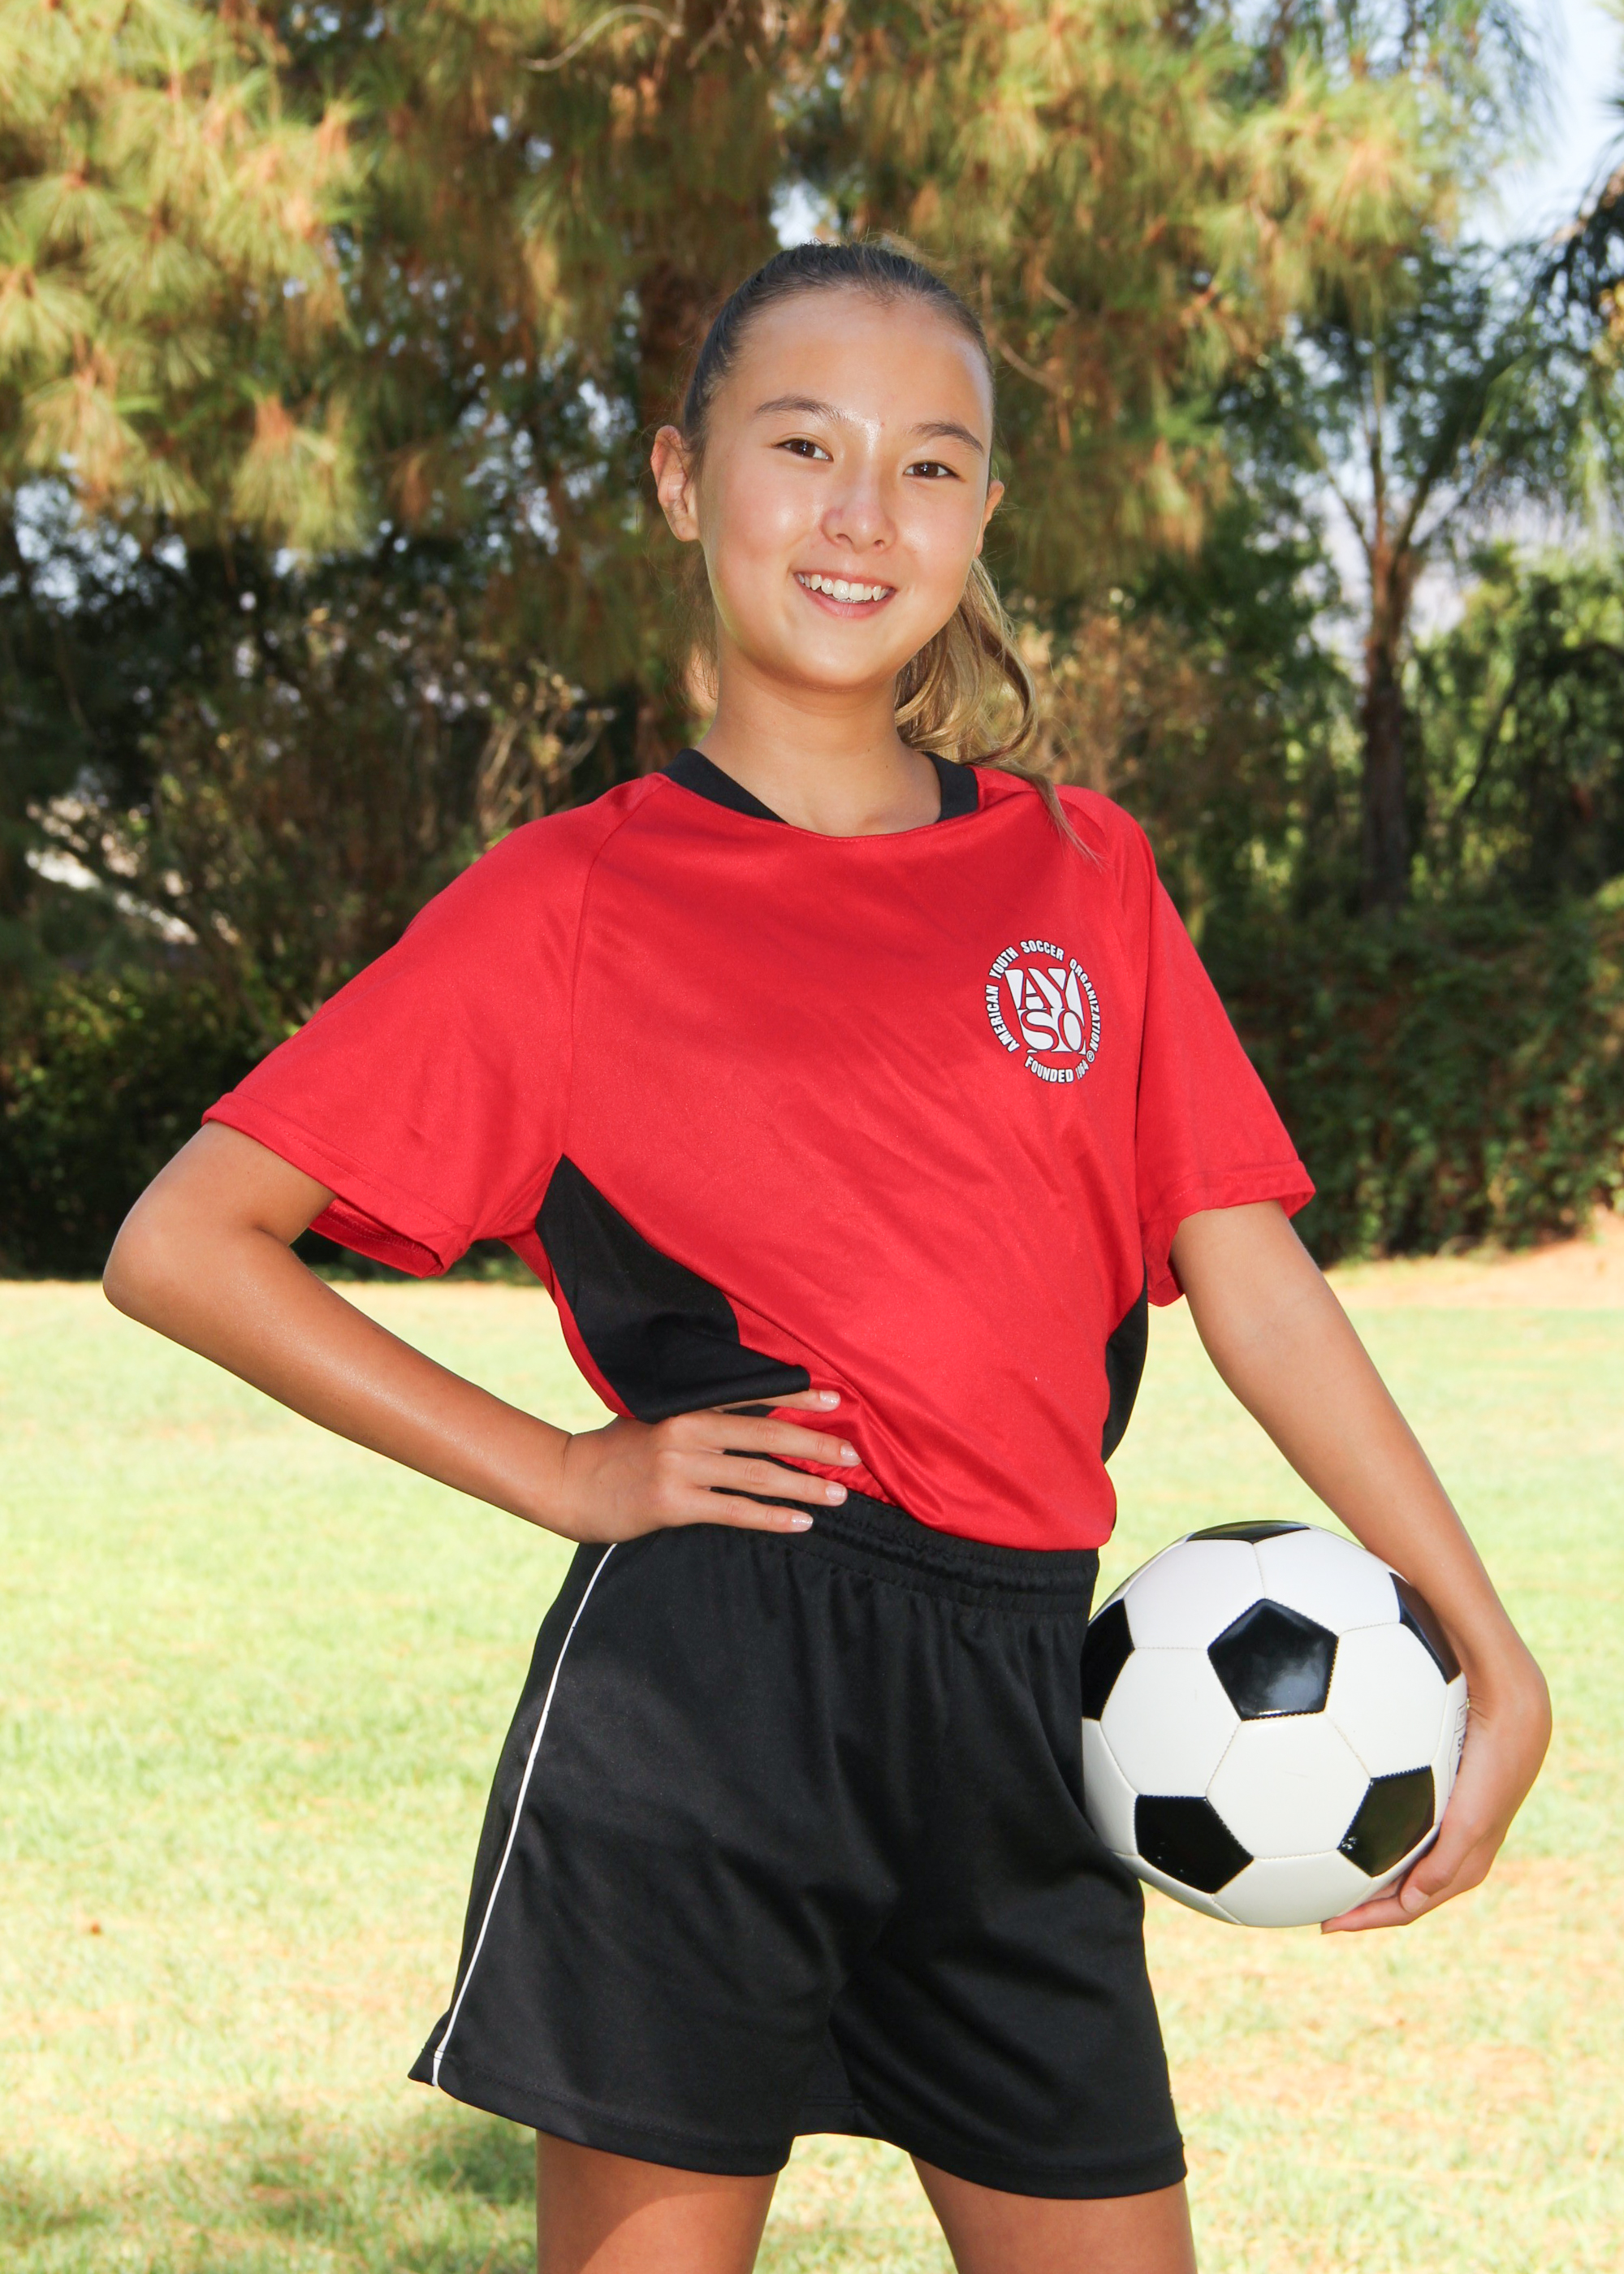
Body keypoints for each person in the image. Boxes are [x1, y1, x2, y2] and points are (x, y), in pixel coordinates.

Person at [104, 243, 1551, 2274]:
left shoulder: (1083, 870)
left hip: (1028, 1702)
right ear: (681, 478)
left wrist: (1486, 1636)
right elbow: (185, 1240)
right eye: (801, 447)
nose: (863, 512)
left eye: (928, 465)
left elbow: (1255, 1280)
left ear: (981, 514)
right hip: (711, 1697)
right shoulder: (574, 897)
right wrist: (565, 1468)